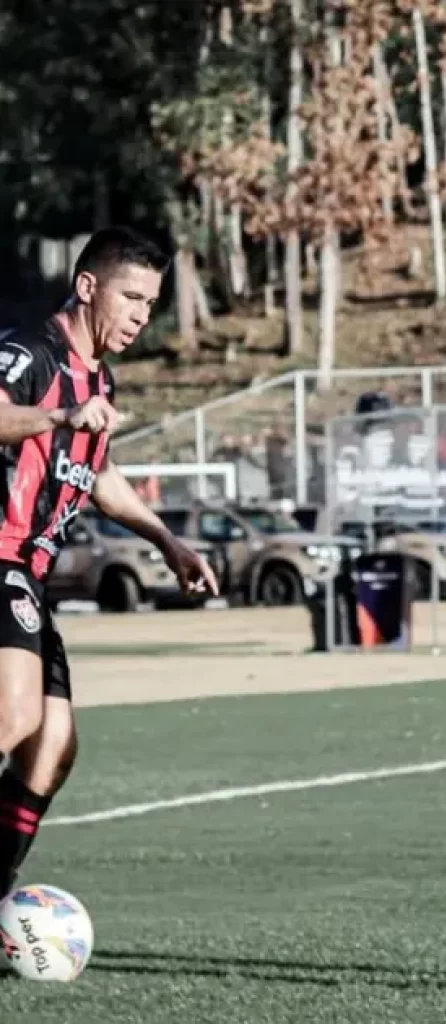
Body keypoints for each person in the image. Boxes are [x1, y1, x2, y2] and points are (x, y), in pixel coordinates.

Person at [0, 226, 218, 901]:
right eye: (130, 297)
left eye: (150, 305)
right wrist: (60, 414)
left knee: (52, 744)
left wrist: (166, 540)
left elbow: (99, 475)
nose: (139, 316)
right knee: (12, 717)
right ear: (88, 286)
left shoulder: (102, 379)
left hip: (30, 574)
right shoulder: (28, 352)